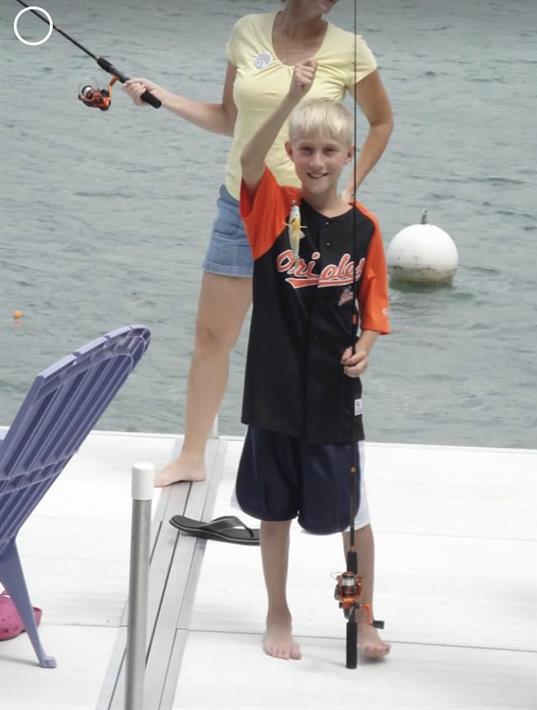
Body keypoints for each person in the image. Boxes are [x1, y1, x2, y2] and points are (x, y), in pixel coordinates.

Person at [123, 0, 393, 487]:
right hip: (241, 203)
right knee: (212, 336)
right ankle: (191, 455)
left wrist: (351, 187)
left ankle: (308, 452)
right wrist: (164, 97)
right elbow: (229, 118)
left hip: (307, 218)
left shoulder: (350, 50)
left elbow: (381, 122)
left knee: (299, 342)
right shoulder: (247, 32)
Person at [235, 58, 390, 660]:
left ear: (348, 155)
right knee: (273, 511)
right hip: (273, 392)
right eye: (306, 150)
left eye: (329, 150)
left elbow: (375, 307)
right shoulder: (273, 211)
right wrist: (288, 99)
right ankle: (278, 612)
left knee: (353, 515)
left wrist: (367, 348)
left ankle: (366, 618)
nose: (317, 161)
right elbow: (250, 162)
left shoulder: (366, 229)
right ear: (292, 154)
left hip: (333, 396)